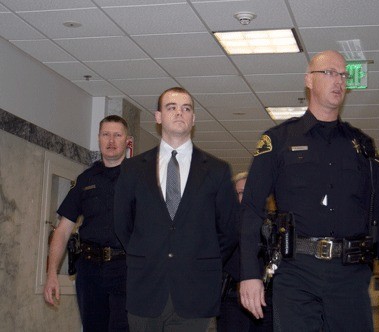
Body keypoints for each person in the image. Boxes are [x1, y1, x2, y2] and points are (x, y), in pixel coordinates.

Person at [239, 50, 379, 331]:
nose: (338, 80)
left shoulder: (363, 146)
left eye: (343, 75)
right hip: (296, 274)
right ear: (309, 80)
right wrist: (249, 274)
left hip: (350, 276)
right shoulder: (277, 141)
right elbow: (251, 211)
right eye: (329, 72)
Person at [114, 86, 238, 332]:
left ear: (194, 119)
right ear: (158, 117)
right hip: (146, 291)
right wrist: (148, 254)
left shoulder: (217, 170)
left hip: (196, 293)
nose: (179, 113)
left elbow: (230, 230)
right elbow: (122, 223)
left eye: (186, 108)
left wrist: (198, 258)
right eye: (171, 107)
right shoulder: (132, 169)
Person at [43, 115, 131, 332]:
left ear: (127, 141)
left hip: (127, 269)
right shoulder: (85, 180)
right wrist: (51, 274)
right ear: (99, 138)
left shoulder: (140, 178)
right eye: (105, 135)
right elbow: (62, 231)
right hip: (90, 270)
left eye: (117, 135)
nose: (111, 141)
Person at [218, 172, 273, 332]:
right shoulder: (221, 227)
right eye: (240, 193)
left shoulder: (271, 227)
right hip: (231, 299)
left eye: (249, 192)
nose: (244, 198)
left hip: (265, 299)